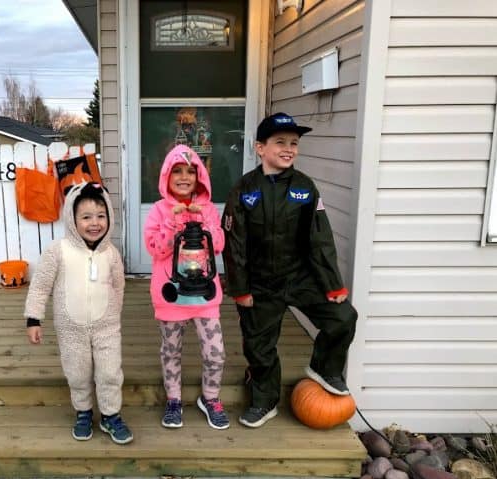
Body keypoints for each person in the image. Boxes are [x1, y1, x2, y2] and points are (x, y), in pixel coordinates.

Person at [221, 112, 358, 429]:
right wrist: (240, 290)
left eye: (294, 143)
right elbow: (234, 245)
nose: (288, 149)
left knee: (343, 318)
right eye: (280, 142)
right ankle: (264, 400)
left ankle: (325, 368)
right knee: (259, 347)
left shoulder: (304, 188)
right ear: (260, 147)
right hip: (259, 285)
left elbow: (320, 239)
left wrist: (333, 286)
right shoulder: (243, 190)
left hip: (300, 278)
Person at [24, 182, 133, 444]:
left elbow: (119, 286)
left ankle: (110, 415)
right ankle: (83, 412)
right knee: (78, 372)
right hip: (70, 327)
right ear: (72, 220)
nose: (94, 223)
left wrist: (114, 313)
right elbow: (40, 286)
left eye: (100, 216)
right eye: (86, 217)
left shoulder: (111, 253)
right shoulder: (57, 251)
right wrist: (33, 319)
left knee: (109, 372)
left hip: (106, 326)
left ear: (109, 217)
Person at [144, 144, 230, 430]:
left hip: (204, 297)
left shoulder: (208, 210)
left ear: (200, 176)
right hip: (171, 298)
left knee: (215, 351)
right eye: (177, 171)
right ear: (166, 176)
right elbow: (156, 249)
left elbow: (218, 245)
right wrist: (172, 220)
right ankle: (174, 399)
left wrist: (203, 218)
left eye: (190, 171)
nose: (184, 177)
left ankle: (211, 398)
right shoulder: (158, 211)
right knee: (171, 351)